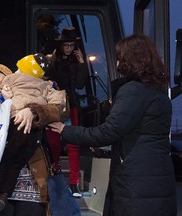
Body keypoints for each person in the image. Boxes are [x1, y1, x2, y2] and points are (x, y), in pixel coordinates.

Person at [49, 33, 177, 216]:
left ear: (130, 60)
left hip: (136, 181)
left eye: (119, 58)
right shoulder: (157, 89)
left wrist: (65, 130)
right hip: (156, 178)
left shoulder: (133, 90)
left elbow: (108, 132)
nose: (117, 63)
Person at [0, 53, 69, 216]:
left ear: (8, 74)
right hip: (0, 183)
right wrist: (0, 102)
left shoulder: (38, 87)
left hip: (33, 177)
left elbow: (61, 111)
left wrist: (33, 111)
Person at [45, 27, 89, 198]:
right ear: (61, 45)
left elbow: (79, 85)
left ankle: (74, 183)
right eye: (67, 45)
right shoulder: (52, 61)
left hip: (71, 106)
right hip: (54, 106)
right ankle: (54, 178)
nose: (69, 48)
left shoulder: (74, 63)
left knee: (73, 145)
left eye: (72, 45)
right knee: (54, 144)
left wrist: (82, 63)